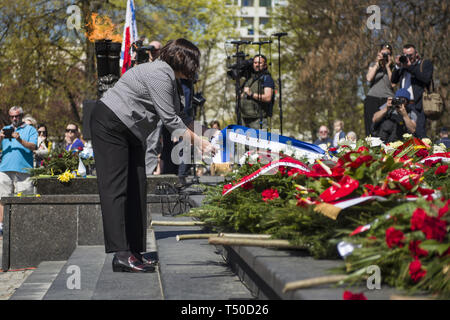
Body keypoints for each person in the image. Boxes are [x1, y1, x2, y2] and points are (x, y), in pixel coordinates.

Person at [90, 39, 215, 273]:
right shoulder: (160, 72)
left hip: (131, 131)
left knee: (137, 187)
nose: (196, 66)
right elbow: (170, 120)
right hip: (111, 124)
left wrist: (209, 134)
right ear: (182, 59)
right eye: (194, 61)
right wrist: (200, 143)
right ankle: (121, 254)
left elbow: (181, 116)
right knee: (116, 188)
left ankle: (135, 251)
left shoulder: (172, 79)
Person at [0, 106, 38, 235]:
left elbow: (33, 146)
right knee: (3, 198)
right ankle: (2, 227)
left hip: (24, 169)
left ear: (21, 116)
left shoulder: (30, 129)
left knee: (25, 198)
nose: (14, 118)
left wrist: (19, 140)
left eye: (17, 116)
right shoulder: (5, 129)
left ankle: (24, 228)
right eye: (12, 116)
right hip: (5, 168)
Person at [391, 44, 433, 138]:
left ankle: (422, 152)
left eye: (410, 55)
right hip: (403, 103)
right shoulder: (402, 66)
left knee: (419, 132)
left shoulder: (424, 64)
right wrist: (397, 66)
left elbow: (426, 79)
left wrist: (410, 67)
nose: (408, 57)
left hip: (418, 105)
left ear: (416, 54)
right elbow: (393, 80)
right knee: (402, 133)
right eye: (406, 55)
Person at [364, 43, 395, 137]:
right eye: (383, 53)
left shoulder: (393, 67)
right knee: (370, 126)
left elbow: (393, 84)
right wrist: (378, 63)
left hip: (386, 99)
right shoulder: (373, 65)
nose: (385, 56)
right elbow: (369, 78)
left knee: (385, 125)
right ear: (379, 53)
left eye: (387, 54)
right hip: (372, 98)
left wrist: (388, 67)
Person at [241, 54, 275, 130]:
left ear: (265, 65)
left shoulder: (267, 78)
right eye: (255, 63)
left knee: (261, 141)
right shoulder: (250, 79)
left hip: (258, 119)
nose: (257, 65)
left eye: (259, 63)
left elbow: (268, 97)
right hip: (245, 118)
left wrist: (252, 94)